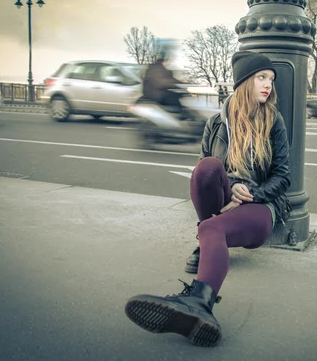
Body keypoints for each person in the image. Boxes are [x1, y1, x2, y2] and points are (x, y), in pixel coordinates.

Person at [124, 51, 291, 347]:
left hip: (261, 208)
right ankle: (200, 295)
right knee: (206, 168)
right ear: (244, 83)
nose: (268, 85)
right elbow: (208, 174)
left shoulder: (273, 121)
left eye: (271, 80)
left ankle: (198, 298)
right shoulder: (216, 123)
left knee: (210, 229)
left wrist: (251, 193)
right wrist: (233, 187)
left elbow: (282, 176)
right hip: (227, 199)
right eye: (261, 77)